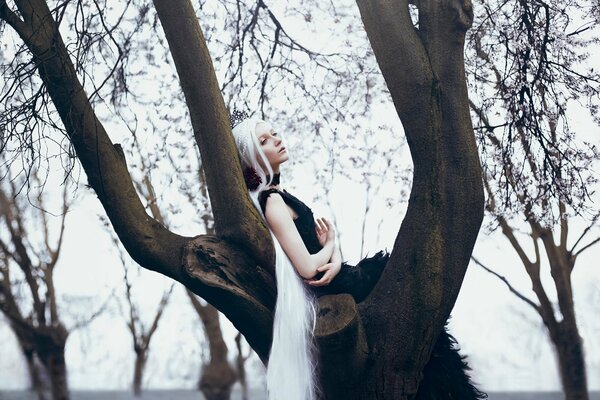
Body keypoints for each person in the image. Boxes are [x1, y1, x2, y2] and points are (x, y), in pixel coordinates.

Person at [231, 114, 487, 400]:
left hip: (338, 277)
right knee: (394, 276)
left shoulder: (278, 195)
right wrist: (332, 247)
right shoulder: (272, 201)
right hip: (333, 286)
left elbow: (317, 258)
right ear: (250, 158)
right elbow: (307, 267)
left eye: (274, 132)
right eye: (264, 141)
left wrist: (334, 252)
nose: (277, 139)